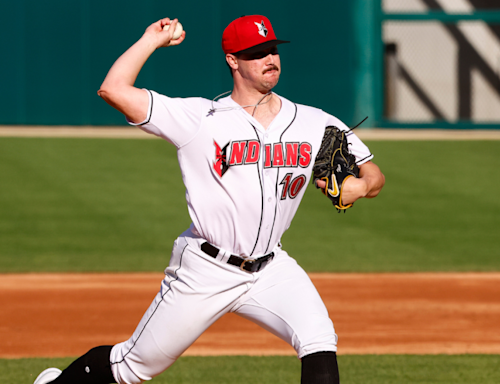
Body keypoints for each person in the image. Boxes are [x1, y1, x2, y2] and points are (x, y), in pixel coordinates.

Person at [33, 15, 385, 384]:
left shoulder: (313, 122)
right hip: (206, 269)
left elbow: (373, 173)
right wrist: (150, 40)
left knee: (318, 339)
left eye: (272, 50)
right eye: (256, 53)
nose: (269, 59)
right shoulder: (201, 118)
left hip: (271, 267)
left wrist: (359, 187)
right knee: (133, 367)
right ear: (232, 60)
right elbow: (113, 90)